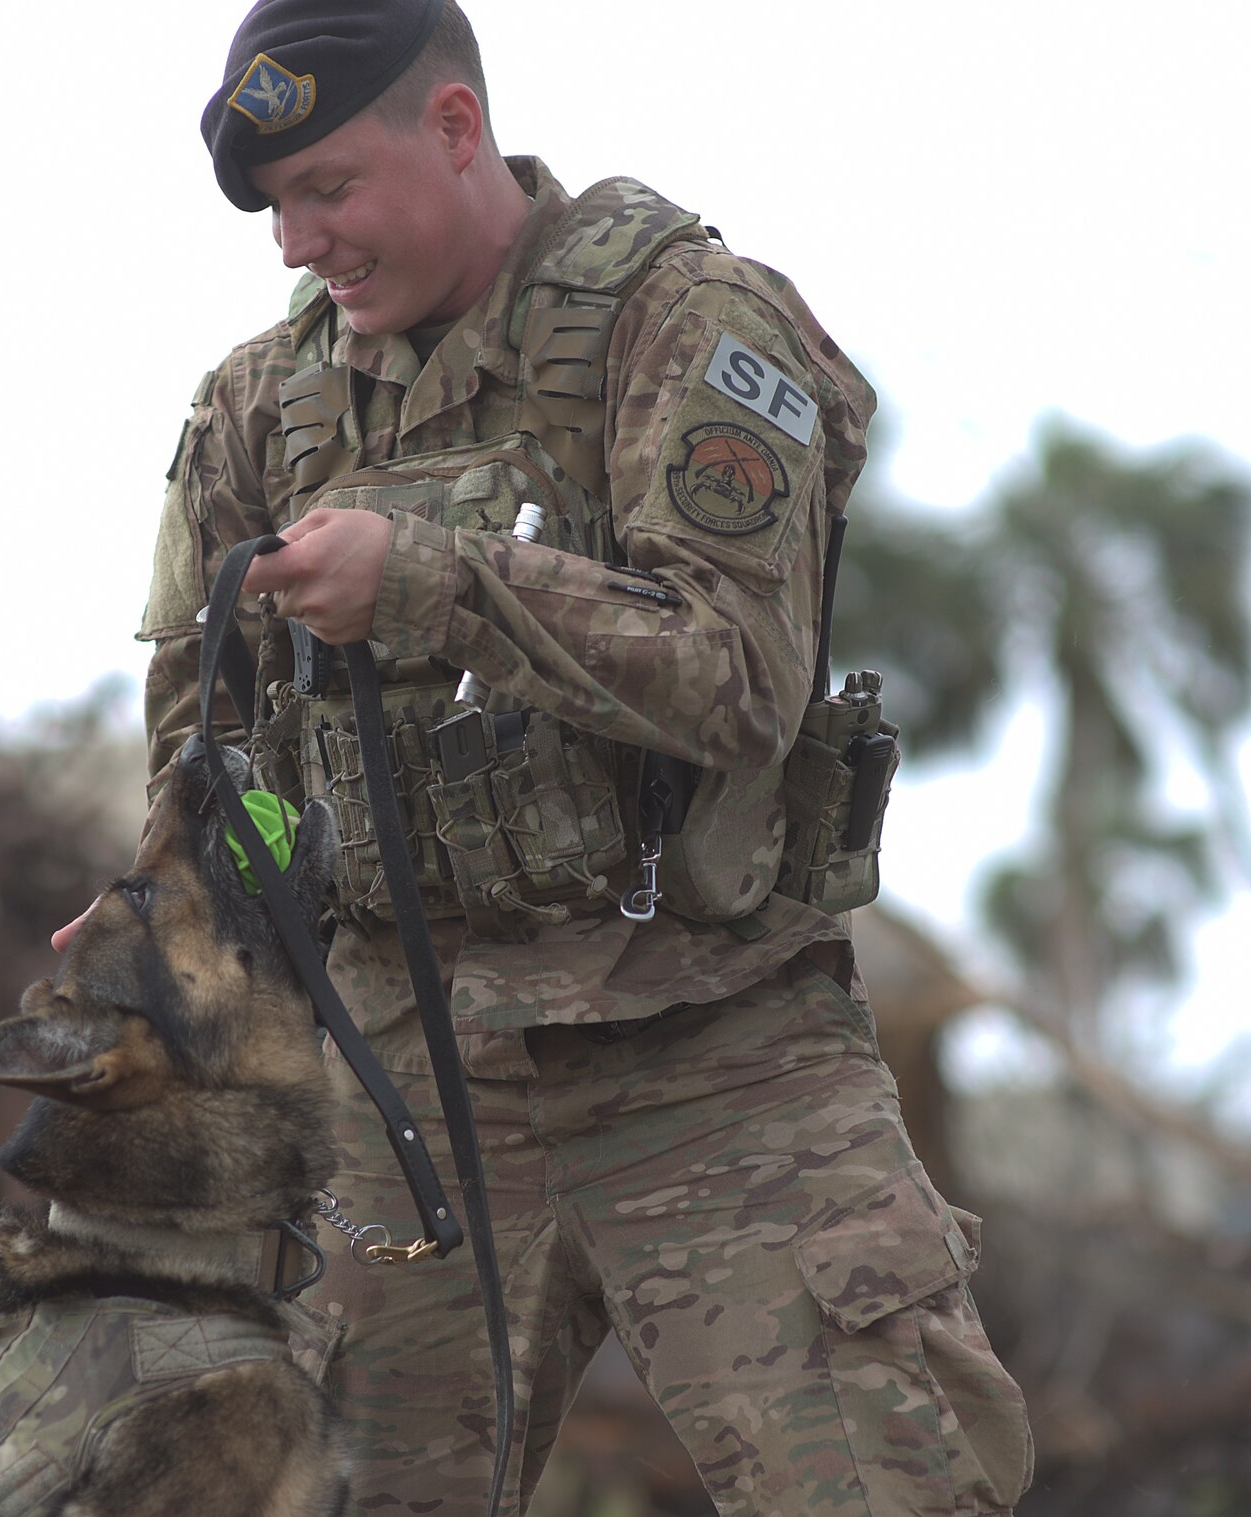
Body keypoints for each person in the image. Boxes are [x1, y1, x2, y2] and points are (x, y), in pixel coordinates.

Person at [62, 1, 1035, 1512]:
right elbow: (206, 737)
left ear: (454, 130)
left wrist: (433, 582)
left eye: (328, 189)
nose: (295, 241)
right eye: (273, 207)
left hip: (714, 1056)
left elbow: (740, 674)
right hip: (409, 1081)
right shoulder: (260, 406)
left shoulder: (688, 321)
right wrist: (165, 914)